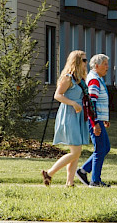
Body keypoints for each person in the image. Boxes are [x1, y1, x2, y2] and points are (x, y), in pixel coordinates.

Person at [41, 50, 91, 186]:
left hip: (77, 115)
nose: (86, 62)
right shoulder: (68, 78)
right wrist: (73, 103)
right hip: (69, 115)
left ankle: (70, 182)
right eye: (84, 60)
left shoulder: (79, 79)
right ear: (77, 61)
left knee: (76, 152)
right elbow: (57, 95)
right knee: (76, 152)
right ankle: (49, 173)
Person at [76, 54, 111, 187]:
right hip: (94, 121)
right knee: (100, 149)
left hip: (99, 119)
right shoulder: (94, 80)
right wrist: (95, 123)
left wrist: (104, 119)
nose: (107, 67)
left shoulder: (98, 79)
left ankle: (83, 170)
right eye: (105, 64)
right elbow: (91, 103)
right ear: (96, 66)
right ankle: (95, 181)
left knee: (105, 147)